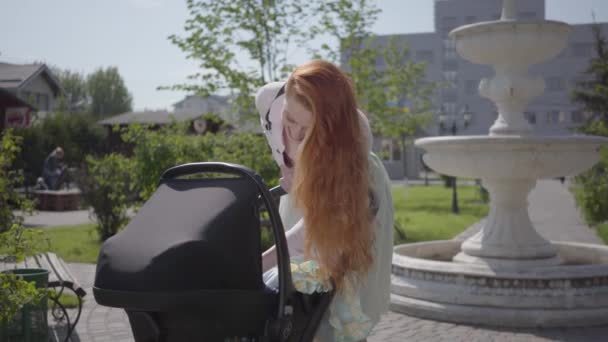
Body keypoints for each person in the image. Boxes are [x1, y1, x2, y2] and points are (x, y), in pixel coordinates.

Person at [255, 60, 394, 341]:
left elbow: (313, 233)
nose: (294, 134)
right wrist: (290, 171)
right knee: (295, 304)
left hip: (345, 202)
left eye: (307, 131)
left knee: (334, 298)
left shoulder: (354, 144)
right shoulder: (270, 101)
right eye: (289, 121)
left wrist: (257, 265)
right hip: (307, 194)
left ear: (330, 129)